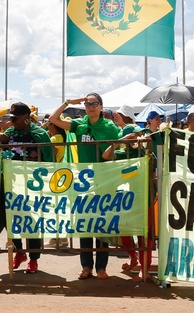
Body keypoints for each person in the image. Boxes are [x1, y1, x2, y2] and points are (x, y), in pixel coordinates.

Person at [49, 93, 121, 280]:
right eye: (87, 104)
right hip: (84, 181)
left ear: (101, 106)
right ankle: (86, 266)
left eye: (94, 103)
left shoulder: (109, 127)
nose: (90, 107)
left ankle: (101, 268)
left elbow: (119, 146)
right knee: (85, 225)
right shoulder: (79, 125)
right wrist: (68, 102)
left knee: (102, 226)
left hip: (105, 180)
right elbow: (53, 119)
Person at [0, 102, 53, 273]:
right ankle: (19, 251)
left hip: (31, 186)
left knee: (32, 222)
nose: (12, 122)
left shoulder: (40, 134)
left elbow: (50, 159)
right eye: (11, 118)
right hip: (9, 183)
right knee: (10, 220)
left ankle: (34, 259)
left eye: (15, 118)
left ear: (26, 117)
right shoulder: (9, 133)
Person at [102, 124, 154, 282]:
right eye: (132, 136)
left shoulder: (146, 152)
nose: (136, 138)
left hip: (145, 197)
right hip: (126, 199)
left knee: (145, 234)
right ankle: (133, 258)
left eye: (139, 135)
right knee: (125, 231)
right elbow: (105, 156)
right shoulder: (121, 153)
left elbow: (153, 169)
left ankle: (144, 269)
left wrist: (147, 145)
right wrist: (120, 141)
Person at [46, 119, 69, 247]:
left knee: (55, 208)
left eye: (48, 123)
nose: (46, 126)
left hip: (56, 175)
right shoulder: (59, 137)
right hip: (60, 175)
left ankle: (57, 238)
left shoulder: (56, 138)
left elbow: (51, 154)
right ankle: (60, 238)